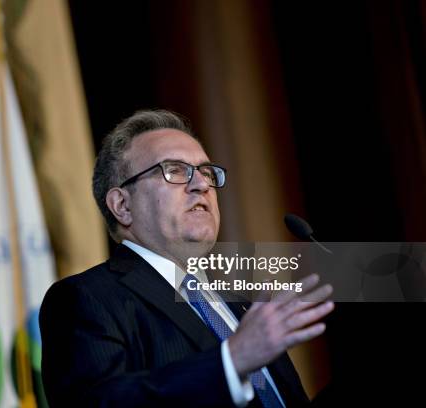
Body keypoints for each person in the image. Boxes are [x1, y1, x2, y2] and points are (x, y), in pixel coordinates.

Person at [40, 110, 334, 407]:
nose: (202, 185)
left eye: (206, 172)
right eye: (175, 170)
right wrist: (231, 361)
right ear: (122, 205)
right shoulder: (86, 298)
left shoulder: (240, 307)